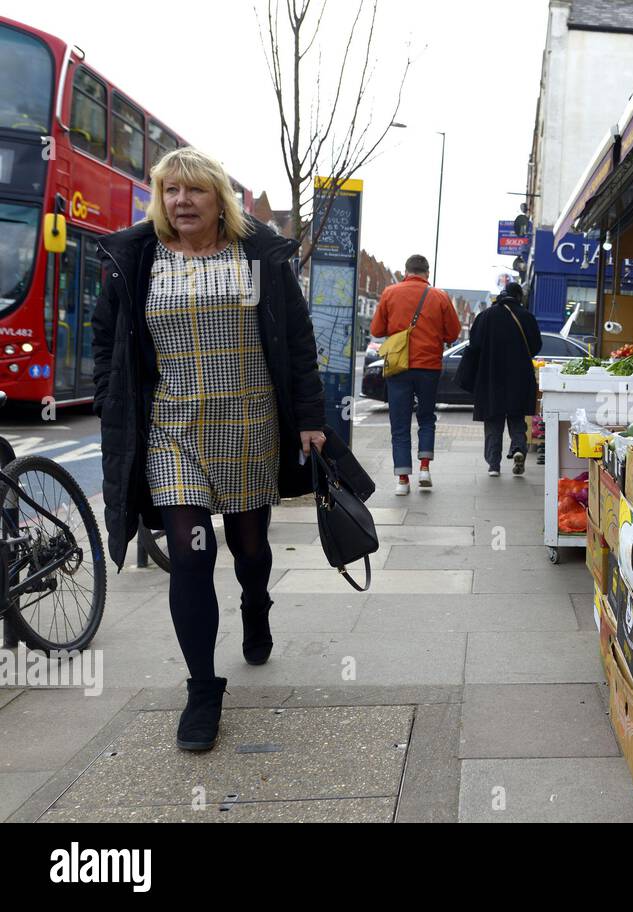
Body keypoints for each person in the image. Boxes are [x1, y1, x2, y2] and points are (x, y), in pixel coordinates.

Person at [91, 147, 327, 752]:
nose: (181, 201)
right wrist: (110, 403)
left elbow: (297, 340)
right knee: (191, 556)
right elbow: (106, 340)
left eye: (194, 191)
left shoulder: (256, 255)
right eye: (171, 191)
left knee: (250, 545)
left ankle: (255, 599)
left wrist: (309, 417)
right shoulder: (137, 257)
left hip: (249, 424)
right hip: (173, 433)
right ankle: (202, 689)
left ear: (218, 198)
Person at [369, 255, 461, 494]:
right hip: (429, 367)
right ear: (427, 273)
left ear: (405, 272)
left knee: (399, 423)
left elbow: (376, 330)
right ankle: (424, 468)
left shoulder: (390, 293)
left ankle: (402, 481)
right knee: (427, 417)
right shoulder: (439, 296)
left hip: (398, 367)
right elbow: (453, 333)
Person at [465, 282, 541, 476]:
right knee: (516, 418)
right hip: (519, 376)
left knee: (493, 421)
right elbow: (536, 345)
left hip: (490, 377)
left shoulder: (485, 316)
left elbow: (474, 345)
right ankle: (518, 449)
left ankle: (493, 465)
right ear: (518, 296)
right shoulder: (526, 317)